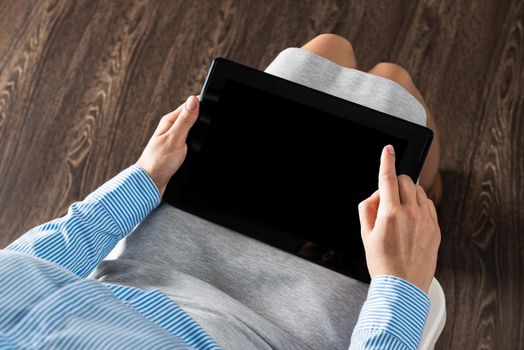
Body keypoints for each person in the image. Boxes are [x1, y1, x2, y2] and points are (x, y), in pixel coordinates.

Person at [0, 34, 441, 349]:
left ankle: (425, 185)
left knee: (323, 48)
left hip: (148, 271)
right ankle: (432, 190)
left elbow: (30, 266)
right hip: (283, 330)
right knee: (395, 83)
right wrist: (398, 284)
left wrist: (146, 178)